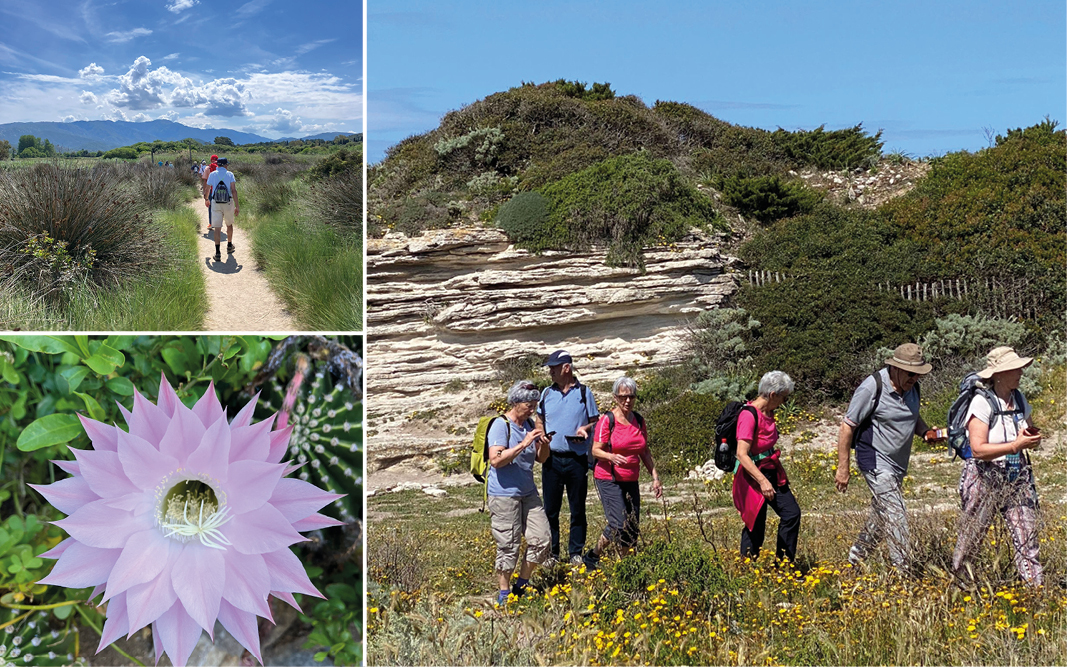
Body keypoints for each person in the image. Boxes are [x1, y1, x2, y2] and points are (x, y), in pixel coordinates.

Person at [835, 343, 944, 571]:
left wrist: (925, 432)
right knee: (896, 513)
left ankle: (856, 559)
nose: (914, 378)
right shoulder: (871, 388)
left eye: (918, 374)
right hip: (875, 460)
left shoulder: (913, 388)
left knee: (881, 516)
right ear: (895, 368)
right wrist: (842, 468)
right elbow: (847, 426)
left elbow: (912, 416)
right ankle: (902, 571)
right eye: (911, 373)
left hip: (898, 463)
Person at [951, 347, 1043, 587]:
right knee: (971, 538)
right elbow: (978, 449)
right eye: (1015, 368)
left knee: (1027, 537)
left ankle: (1036, 592)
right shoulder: (982, 403)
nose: (1021, 372)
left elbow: (1028, 431)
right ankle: (961, 587)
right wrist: (1015, 445)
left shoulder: (1019, 399)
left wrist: (1030, 440)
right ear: (999, 374)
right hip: (984, 476)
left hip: (1017, 474)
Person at [583, 376, 662, 570]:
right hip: (608, 477)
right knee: (618, 522)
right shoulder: (607, 420)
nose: (627, 401)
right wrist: (611, 457)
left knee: (632, 524)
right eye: (623, 397)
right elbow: (595, 450)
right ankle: (594, 554)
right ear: (615, 397)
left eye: (631, 397)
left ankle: (627, 566)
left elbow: (644, 450)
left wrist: (655, 477)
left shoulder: (639, 421)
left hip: (631, 478)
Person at [486, 380, 552, 605]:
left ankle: (521, 585)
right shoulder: (500, 425)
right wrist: (523, 444)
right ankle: (504, 594)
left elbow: (541, 459)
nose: (532, 408)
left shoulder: (530, 424)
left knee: (542, 539)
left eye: (534, 403)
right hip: (504, 494)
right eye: (528, 403)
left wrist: (543, 443)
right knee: (509, 544)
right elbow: (496, 460)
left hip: (527, 491)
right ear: (515, 402)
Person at [536, 350, 599, 567]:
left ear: (566, 368)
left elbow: (595, 422)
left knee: (577, 508)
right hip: (552, 459)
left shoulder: (584, 392)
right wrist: (541, 434)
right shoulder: (546, 393)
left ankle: (576, 552)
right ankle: (552, 554)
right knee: (550, 509)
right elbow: (539, 419)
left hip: (576, 459)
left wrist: (585, 429)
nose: (550, 372)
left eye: (554, 367)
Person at [733, 371, 800, 563]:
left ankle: (784, 564)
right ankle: (747, 568)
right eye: (783, 397)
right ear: (773, 395)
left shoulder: (769, 413)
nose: (784, 402)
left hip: (772, 470)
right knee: (756, 523)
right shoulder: (748, 415)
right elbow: (742, 454)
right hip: (752, 475)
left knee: (791, 513)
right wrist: (762, 481)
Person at [204, 157, 238, 262]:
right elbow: (233, 190)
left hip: (216, 202)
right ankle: (229, 245)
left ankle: (217, 253)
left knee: (217, 228)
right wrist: (237, 205)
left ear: (217, 164)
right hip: (228, 202)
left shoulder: (212, 174)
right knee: (229, 224)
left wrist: (206, 199)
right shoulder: (230, 174)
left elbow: (207, 188)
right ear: (226, 165)